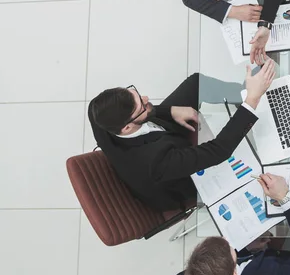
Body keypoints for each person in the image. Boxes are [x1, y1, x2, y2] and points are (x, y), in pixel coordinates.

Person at [88, 60, 276, 212]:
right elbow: (219, 150)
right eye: (141, 106)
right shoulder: (157, 162)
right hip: (178, 182)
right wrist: (253, 100)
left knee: (196, 84)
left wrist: (169, 111)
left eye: (136, 94)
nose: (146, 98)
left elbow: (140, 110)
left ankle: (246, 93)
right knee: (241, 156)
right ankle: (253, 97)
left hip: (156, 139)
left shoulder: (98, 111)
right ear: (127, 128)